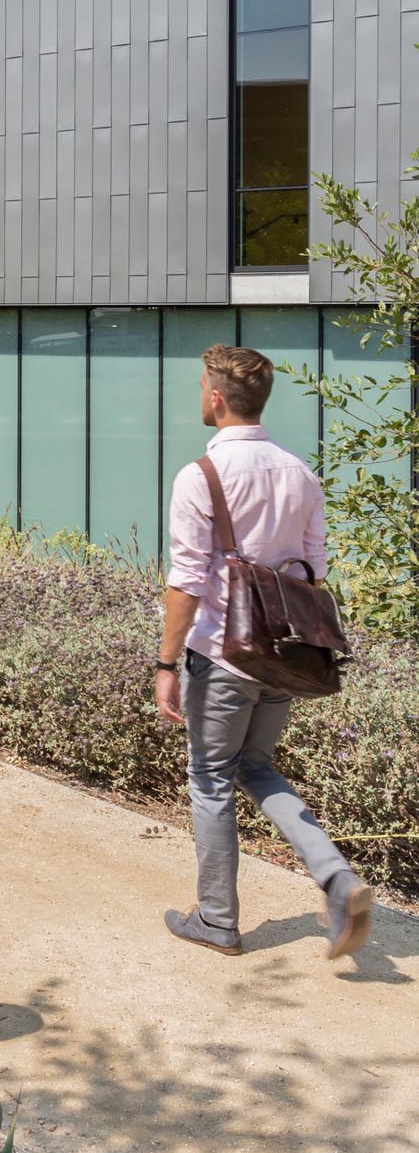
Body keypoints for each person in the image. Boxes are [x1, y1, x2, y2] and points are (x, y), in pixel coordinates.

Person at [156, 343, 372, 962]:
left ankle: (218, 921)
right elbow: (314, 573)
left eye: (203, 387)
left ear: (217, 398)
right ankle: (337, 878)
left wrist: (166, 665)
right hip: (284, 654)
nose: (201, 396)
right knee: (257, 768)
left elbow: (187, 581)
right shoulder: (300, 473)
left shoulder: (200, 476)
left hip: (221, 657)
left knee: (212, 778)